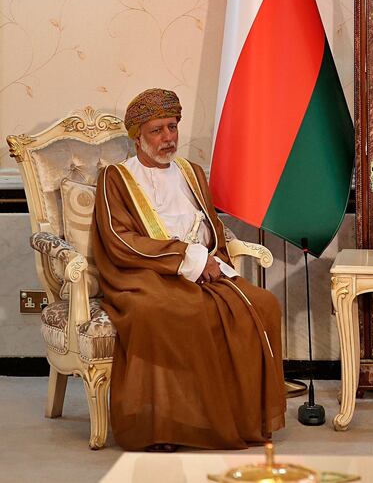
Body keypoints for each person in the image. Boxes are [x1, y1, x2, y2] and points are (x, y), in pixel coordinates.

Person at [91, 88, 285, 451]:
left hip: (204, 269)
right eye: (157, 131)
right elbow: (121, 238)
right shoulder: (116, 178)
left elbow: (211, 227)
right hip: (141, 275)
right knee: (165, 311)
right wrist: (188, 259)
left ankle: (239, 417)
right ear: (138, 136)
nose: (168, 139)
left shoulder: (191, 172)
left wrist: (209, 259)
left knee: (262, 305)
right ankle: (164, 425)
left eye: (172, 127)